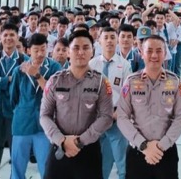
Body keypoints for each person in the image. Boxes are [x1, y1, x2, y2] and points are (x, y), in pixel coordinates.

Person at [39, 31, 113, 179]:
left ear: (92, 51)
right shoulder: (55, 80)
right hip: (59, 147)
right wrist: (62, 140)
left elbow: (106, 117)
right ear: (68, 52)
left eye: (86, 48)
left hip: (88, 149)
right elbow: (44, 115)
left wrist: (79, 141)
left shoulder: (101, 82)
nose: (81, 52)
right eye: (76, 48)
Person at [117, 35, 181, 179]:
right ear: (141, 53)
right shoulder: (130, 82)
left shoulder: (175, 82)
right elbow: (122, 116)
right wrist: (143, 145)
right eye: (149, 51)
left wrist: (161, 146)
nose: (154, 55)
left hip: (165, 153)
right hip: (137, 154)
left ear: (165, 53)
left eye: (159, 51)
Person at [9, 33, 61, 178]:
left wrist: (37, 76)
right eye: (36, 50)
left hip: (45, 125)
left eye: (43, 49)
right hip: (22, 122)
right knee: (17, 165)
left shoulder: (54, 67)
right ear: (28, 50)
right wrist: (21, 111)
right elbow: (13, 98)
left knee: (46, 165)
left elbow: (55, 94)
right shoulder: (19, 70)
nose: (40, 53)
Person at [0, 23, 27, 179]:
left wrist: (1, 80)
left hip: (16, 112)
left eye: (12, 35)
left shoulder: (25, 60)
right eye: (6, 35)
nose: (8, 38)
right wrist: (8, 80)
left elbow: (25, 86)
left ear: (17, 38)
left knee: (16, 151)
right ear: (0, 38)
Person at [89, 27, 133, 179]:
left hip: (116, 116)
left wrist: (117, 112)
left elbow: (127, 92)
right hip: (96, 117)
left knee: (122, 159)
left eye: (112, 38)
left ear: (117, 41)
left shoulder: (125, 65)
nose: (109, 41)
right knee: (101, 158)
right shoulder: (92, 64)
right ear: (99, 41)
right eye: (105, 37)